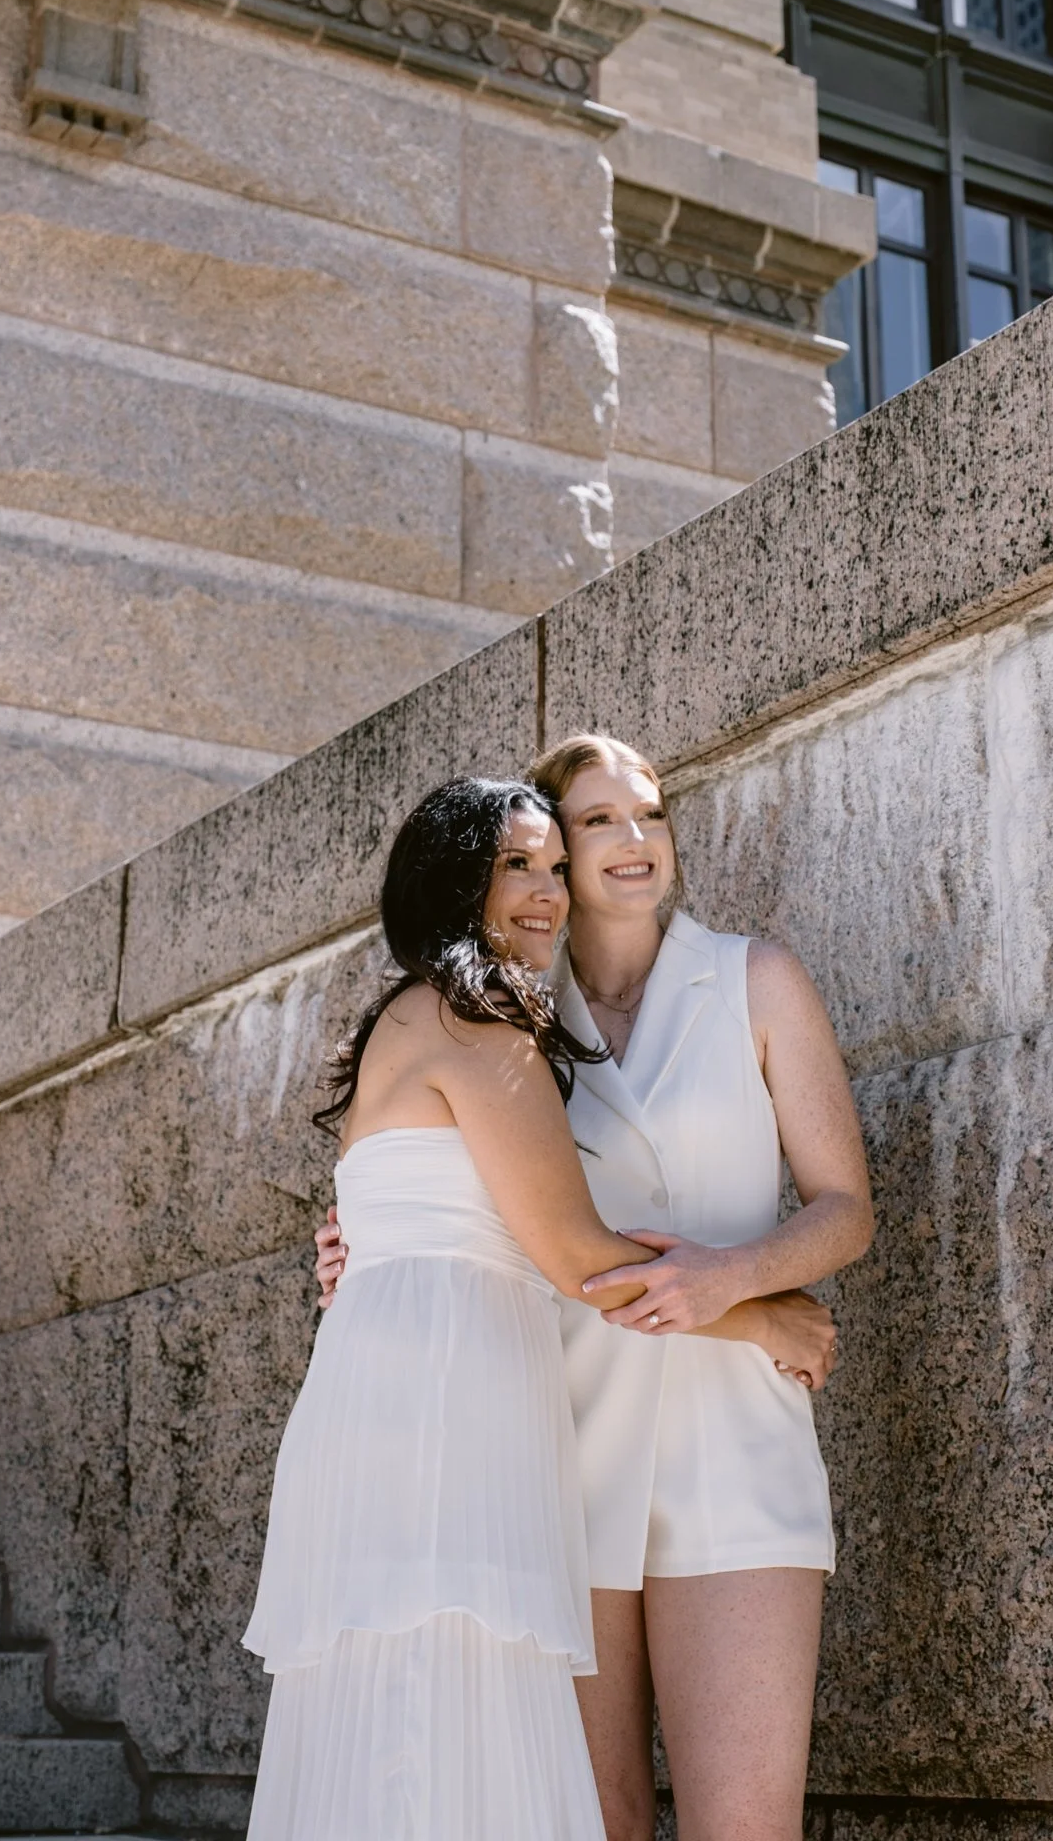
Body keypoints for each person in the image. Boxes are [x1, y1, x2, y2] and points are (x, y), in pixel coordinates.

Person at [246, 775, 833, 1841]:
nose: (545, 890)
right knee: (459, 1750)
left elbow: (406, 1220)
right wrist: (766, 1316)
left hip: (402, 1403)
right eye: (516, 862)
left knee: (412, 1742)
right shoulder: (480, 1021)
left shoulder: (416, 1016)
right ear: (450, 876)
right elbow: (571, 1252)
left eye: (551, 866)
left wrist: (351, 1256)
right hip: (453, 1415)